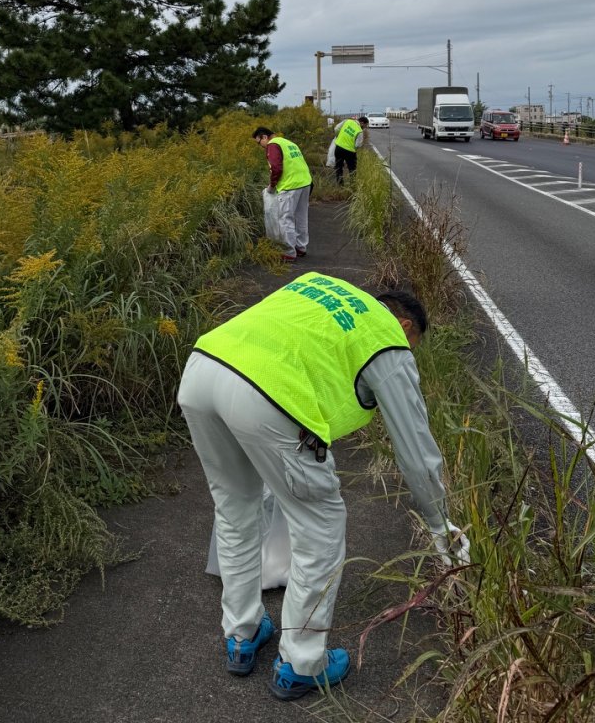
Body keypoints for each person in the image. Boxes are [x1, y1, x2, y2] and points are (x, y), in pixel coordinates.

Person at [177, 274, 468, 700]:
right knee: (320, 527)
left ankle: (241, 634)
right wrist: (440, 525)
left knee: (236, 510)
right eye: (414, 348)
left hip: (203, 369)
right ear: (406, 327)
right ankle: (301, 662)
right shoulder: (386, 336)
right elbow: (416, 449)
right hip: (267, 397)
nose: (410, 354)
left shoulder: (319, 287)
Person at [252, 126, 312, 262]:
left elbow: (276, 168)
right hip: (305, 182)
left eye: (258, 142)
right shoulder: (289, 143)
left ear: (264, 137)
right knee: (301, 218)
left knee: (285, 219)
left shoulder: (273, 145)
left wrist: (272, 186)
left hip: (290, 186)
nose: (260, 145)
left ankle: (289, 252)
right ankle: (301, 248)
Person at [332, 115, 368, 184]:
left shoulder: (347, 121)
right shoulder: (359, 131)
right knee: (352, 169)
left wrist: (338, 137)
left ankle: (340, 185)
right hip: (350, 152)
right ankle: (352, 185)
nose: (365, 128)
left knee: (338, 167)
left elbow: (336, 129)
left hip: (338, 148)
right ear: (362, 123)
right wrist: (353, 147)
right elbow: (358, 145)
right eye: (365, 126)